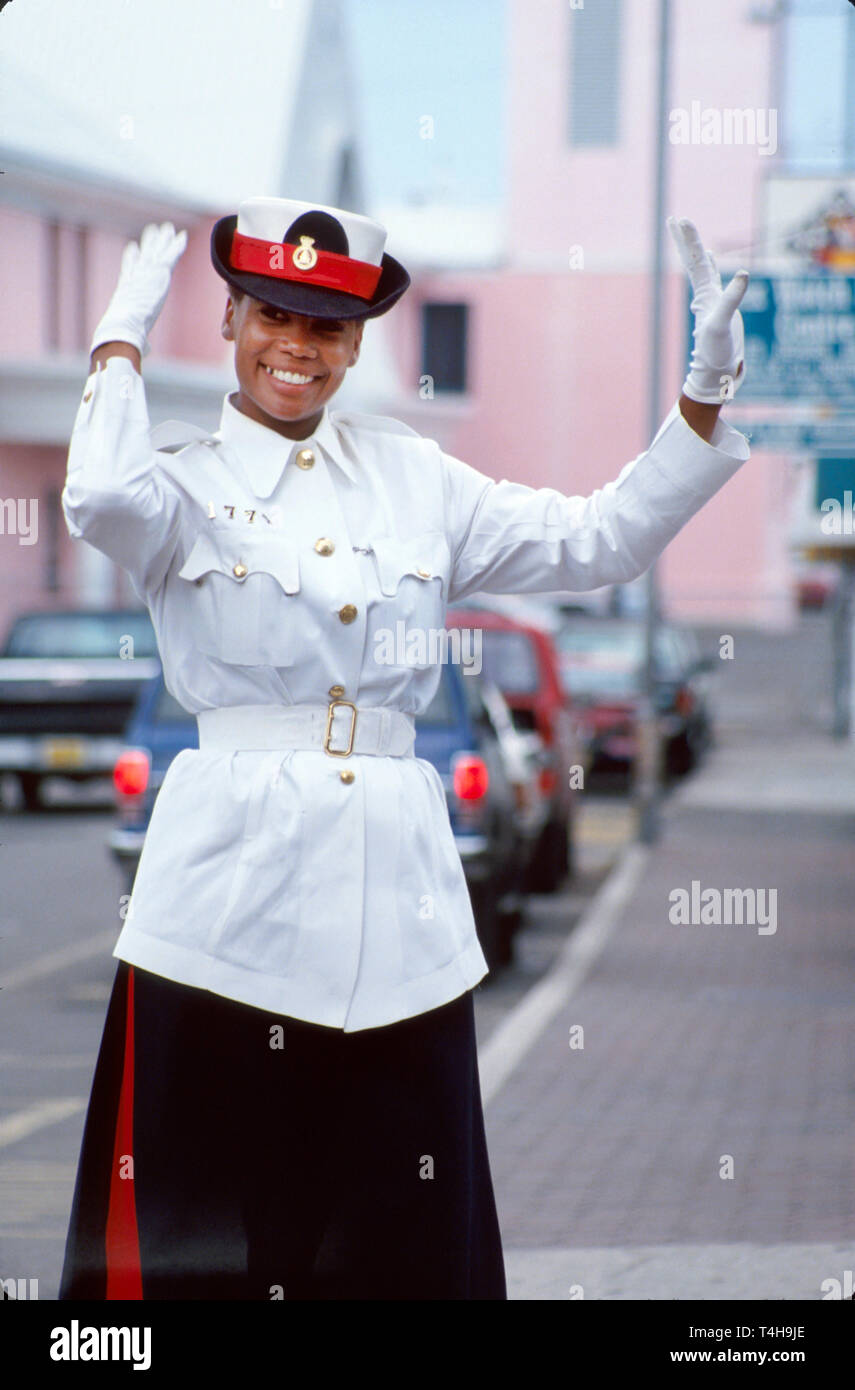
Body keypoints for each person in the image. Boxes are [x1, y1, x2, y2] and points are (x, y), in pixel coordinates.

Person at [58, 196, 750, 1301]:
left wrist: (701, 399)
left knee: (404, 1249)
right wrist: (119, 338)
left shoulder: (415, 477)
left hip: (400, 929)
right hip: (220, 924)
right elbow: (94, 491)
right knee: (200, 1246)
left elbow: (598, 540)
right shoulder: (175, 481)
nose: (298, 347)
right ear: (232, 318)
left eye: (327, 328)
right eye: (273, 315)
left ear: (358, 342)